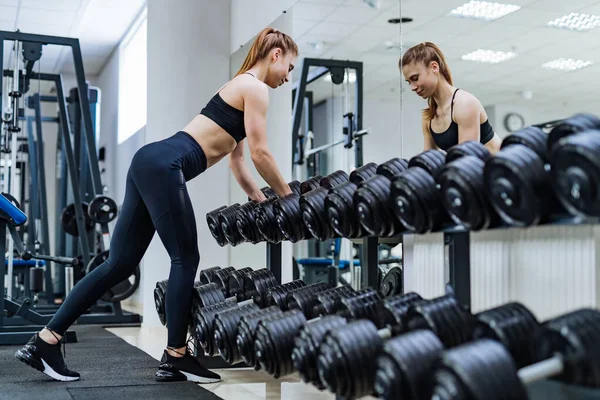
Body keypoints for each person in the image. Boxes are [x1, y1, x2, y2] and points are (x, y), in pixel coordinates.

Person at [14, 27, 298, 384]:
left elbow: (238, 160)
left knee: (118, 264)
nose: (288, 76)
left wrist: (259, 196)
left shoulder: (239, 84)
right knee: (185, 258)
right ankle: (177, 355)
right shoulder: (255, 88)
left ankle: (45, 340)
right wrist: (288, 197)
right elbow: (261, 152)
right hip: (166, 166)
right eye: (289, 67)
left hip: (149, 161)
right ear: (275, 56)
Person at [400, 42, 502, 154]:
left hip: (503, 168)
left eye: (415, 78)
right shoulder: (428, 117)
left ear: (434, 67)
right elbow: (428, 160)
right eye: (409, 82)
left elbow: (467, 158)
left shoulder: (464, 104)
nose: (412, 87)